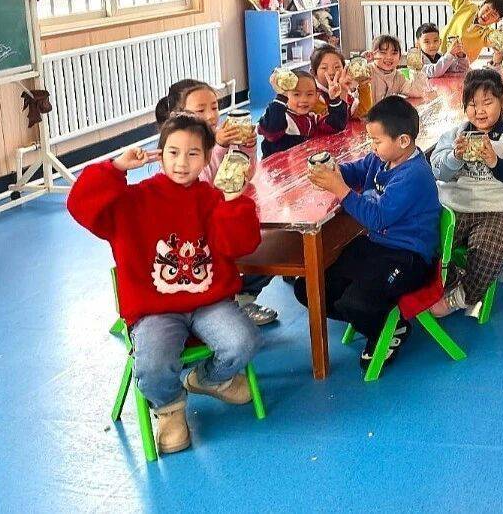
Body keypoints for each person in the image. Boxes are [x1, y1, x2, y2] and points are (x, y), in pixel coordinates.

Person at [67, 113, 262, 455]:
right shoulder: (133, 201)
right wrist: (116, 168)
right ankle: (169, 408)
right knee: (153, 364)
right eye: (173, 152)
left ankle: (207, 379)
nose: (182, 163)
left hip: (209, 303)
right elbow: (79, 204)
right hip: (154, 311)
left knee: (243, 341)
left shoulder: (213, 197)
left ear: (207, 157)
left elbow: (241, 245)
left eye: (193, 153)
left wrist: (234, 200)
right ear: (159, 154)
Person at [300, 96, 441, 371]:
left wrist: (339, 189)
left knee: (357, 304)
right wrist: (332, 172)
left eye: (376, 141)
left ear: (403, 141)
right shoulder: (381, 159)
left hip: (408, 257)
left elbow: (377, 218)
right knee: (310, 288)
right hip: (376, 247)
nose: (372, 147)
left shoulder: (414, 174)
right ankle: (379, 319)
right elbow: (355, 171)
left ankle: (390, 329)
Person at [155, 80, 274, 326]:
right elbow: (201, 187)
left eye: (214, 107)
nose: (211, 115)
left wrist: (247, 146)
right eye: (200, 110)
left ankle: (241, 300)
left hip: (219, 224)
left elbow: (244, 175)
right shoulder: (177, 150)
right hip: (193, 241)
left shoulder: (218, 135)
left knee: (270, 248)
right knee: (251, 250)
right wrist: (217, 146)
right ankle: (229, 304)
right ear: (179, 114)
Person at [429, 69, 503, 316]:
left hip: (497, 211)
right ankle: (450, 278)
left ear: (501, 101)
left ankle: (462, 297)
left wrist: (496, 162)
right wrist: (454, 157)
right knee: (425, 242)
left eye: (487, 102)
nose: (480, 111)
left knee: (488, 251)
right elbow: (436, 171)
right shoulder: (455, 135)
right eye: (472, 104)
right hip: (454, 209)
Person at [258, 70, 349, 158]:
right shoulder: (277, 116)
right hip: (278, 167)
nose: (304, 100)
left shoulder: (311, 119)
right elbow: (272, 133)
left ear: (317, 96)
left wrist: (334, 100)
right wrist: (281, 98)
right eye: (296, 94)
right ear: (286, 95)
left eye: (309, 94)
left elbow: (336, 125)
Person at [310, 46, 368, 119]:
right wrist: (342, 91)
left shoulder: (342, 88)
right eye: (324, 68)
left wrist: (363, 85)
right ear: (313, 73)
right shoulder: (313, 96)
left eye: (337, 67)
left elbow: (362, 113)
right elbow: (336, 122)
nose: (331, 72)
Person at [368, 34, 425, 103]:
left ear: (399, 57)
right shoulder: (367, 71)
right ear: (373, 55)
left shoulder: (398, 77)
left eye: (394, 53)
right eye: (383, 52)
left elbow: (418, 92)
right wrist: (361, 62)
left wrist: (416, 70)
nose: (389, 57)